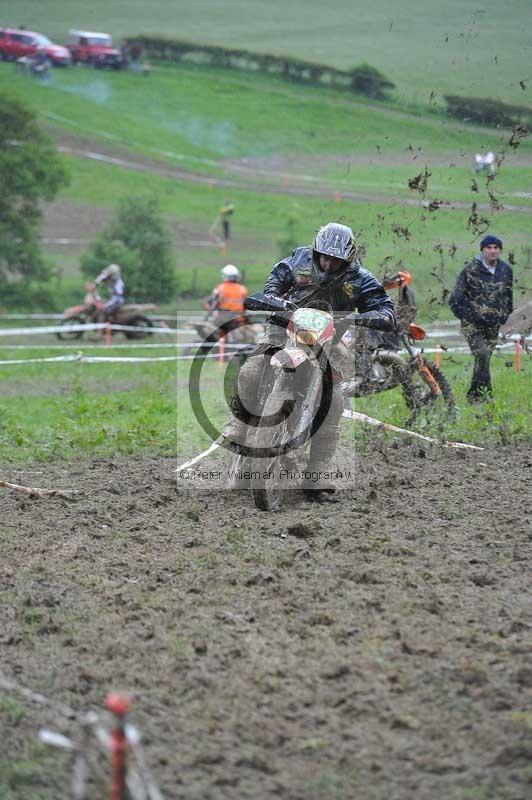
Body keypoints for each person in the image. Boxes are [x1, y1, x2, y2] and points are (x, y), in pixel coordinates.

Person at [224, 222, 396, 501]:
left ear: (348, 258)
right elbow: (275, 280)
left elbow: (385, 308)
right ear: (316, 251)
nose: (327, 264)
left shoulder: (360, 278)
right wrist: (271, 298)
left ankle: (316, 475)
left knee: (335, 400)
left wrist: (368, 317)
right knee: (251, 370)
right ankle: (237, 425)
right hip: (284, 326)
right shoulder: (298, 259)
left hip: (331, 337)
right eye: (324, 257)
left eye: (335, 260)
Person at [448, 234, 513, 402]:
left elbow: (508, 295)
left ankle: (475, 396)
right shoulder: (471, 269)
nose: (492, 251)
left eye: (496, 248)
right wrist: (468, 316)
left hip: (493, 324)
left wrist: (504, 315)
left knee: (483, 360)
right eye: (489, 247)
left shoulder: (506, 270)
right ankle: (484, 395)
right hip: (472, 325)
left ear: (500, 250)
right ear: (482, 250)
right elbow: (455, 299)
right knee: (482, 355)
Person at [204, 264, 248, 340]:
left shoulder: (220, 288)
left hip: (222, 319)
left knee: (212, 335)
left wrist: (206, 319)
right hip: (238, 320)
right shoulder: (243, 289)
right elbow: (246, 307)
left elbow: (213, 304)